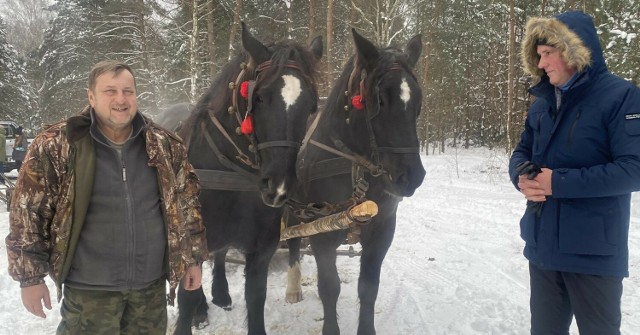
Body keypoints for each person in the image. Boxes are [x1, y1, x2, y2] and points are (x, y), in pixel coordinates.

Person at [5, 60, 208, 334]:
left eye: (128, 91)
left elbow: (187, 203)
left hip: (150, 289)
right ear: (91, 96)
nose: (121, 99)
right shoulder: (58, 144)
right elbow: (27, 213)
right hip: (89, 291)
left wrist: (192, 259)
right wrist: (30, 279)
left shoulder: (163, 144)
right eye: (110, 91)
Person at [509, 10, 640, 335]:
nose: (542, 63)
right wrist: (522, 178)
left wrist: (558, 183)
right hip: (543, 249)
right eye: (538, 55)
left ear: (572, 50)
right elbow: (522, 151)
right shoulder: (541, 103)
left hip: (593, 254)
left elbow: (634, 169)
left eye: (548, 53)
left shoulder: (621, 97)